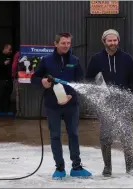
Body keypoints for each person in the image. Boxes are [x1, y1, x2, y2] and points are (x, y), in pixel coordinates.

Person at [31, 33, 92, 179]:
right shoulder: (46, 61)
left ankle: (76, 167)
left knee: (74, 134)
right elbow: (34, 78)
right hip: (53, 105)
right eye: (63, 43)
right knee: (55, 135)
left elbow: (80, 82)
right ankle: (59, 168)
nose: (66, 46)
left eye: (68, 43)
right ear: (56, 43)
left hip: (71, 104)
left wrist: (71, 95)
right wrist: (42, 82)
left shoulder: (74, 61)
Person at [86, 29, 133, 177]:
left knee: (126, 135)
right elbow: (89, 79)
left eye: (115, 40)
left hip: (123, 104)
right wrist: (98, 94)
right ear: (104, 42)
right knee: (105, 136)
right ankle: (107, 167)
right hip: (105, 105)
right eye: (109, 40)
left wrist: (127, 95)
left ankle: (130, 167)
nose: (112, 43)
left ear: (118, 41)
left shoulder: (127, 58)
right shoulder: (96, 59)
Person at [0, 44, 13, 114]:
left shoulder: (10, 56)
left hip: (8, 79)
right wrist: (3, 63)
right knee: (1, 96)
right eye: (9, 49)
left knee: (7, 96)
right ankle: (1, 112)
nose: (10, 51)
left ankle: (7, 111)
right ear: (5, 48)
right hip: (0, 80)